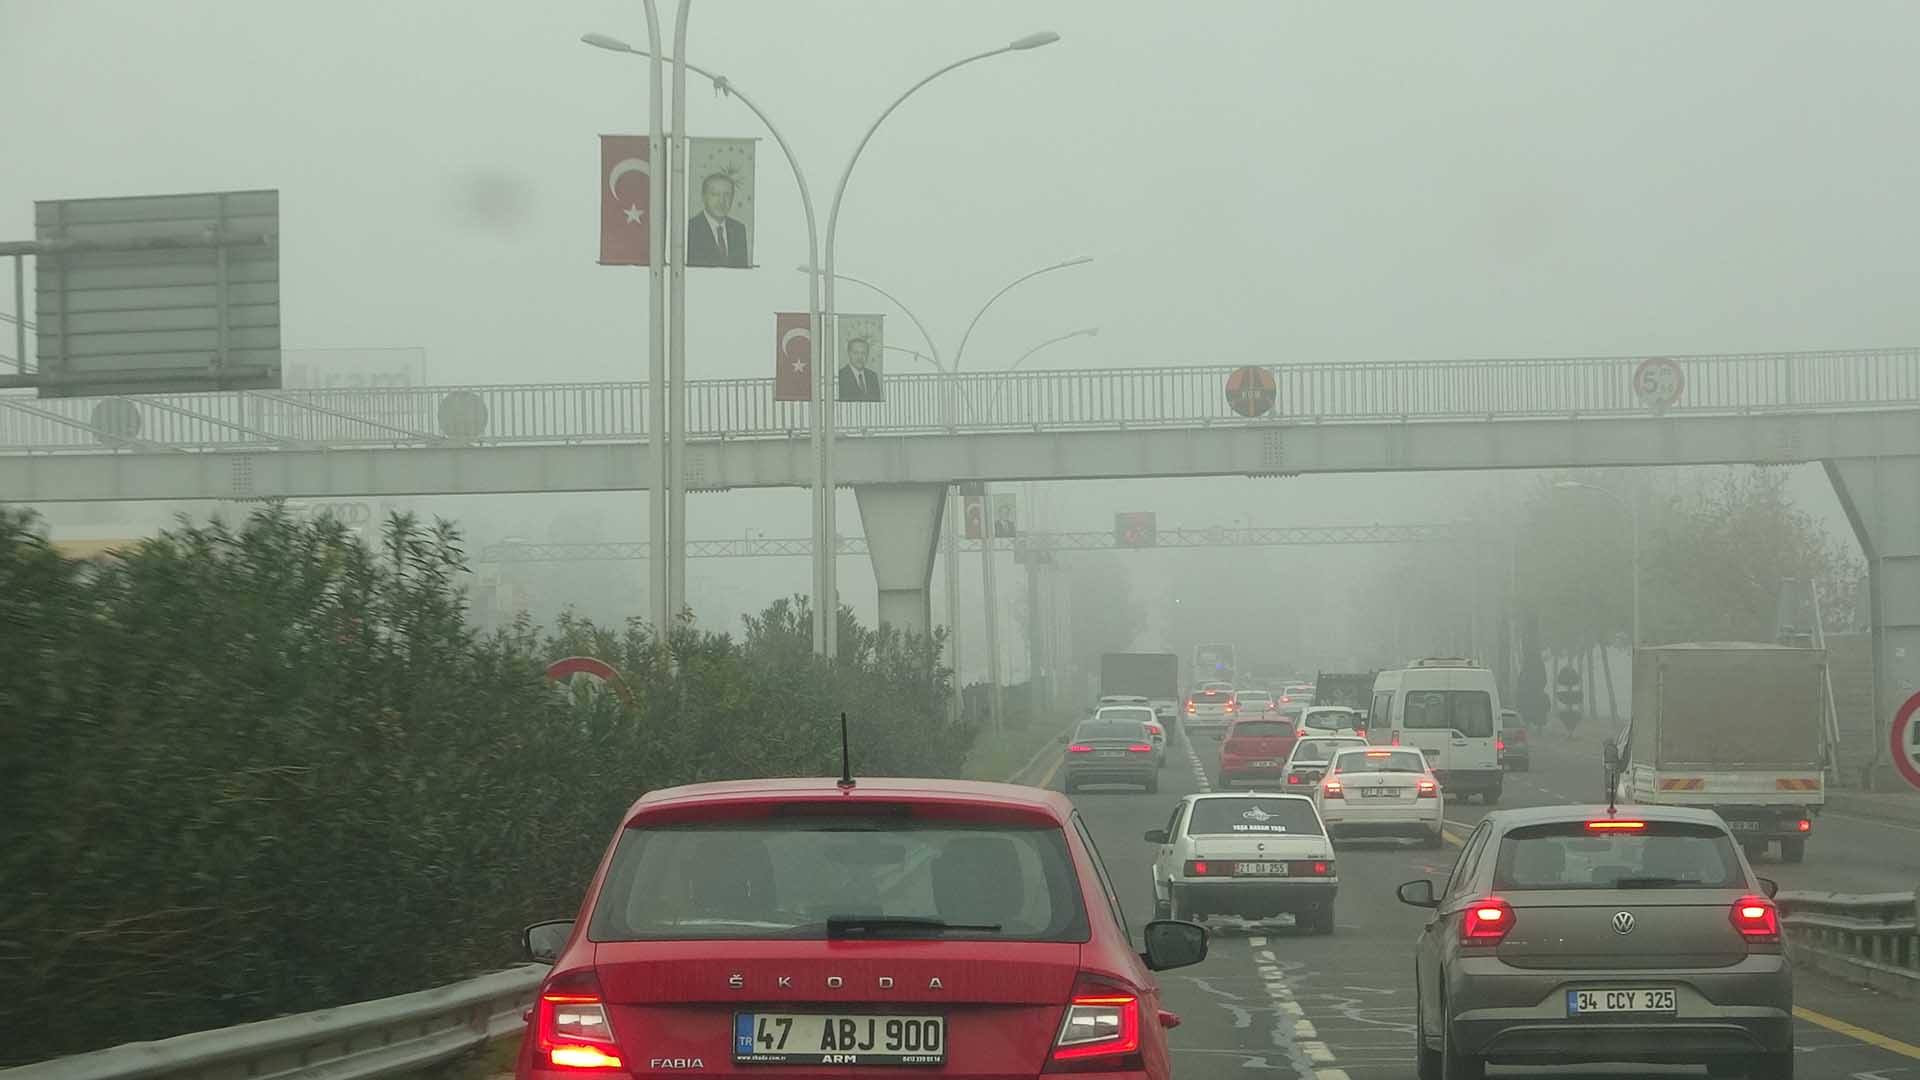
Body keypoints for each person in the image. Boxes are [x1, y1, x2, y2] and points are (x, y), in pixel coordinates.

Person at [686, 172, 750, 268]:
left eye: (727, 195)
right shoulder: (690, 229)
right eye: (715, 194)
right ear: (704, 197)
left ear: (732, 198)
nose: (722, 201)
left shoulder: (739, 230)